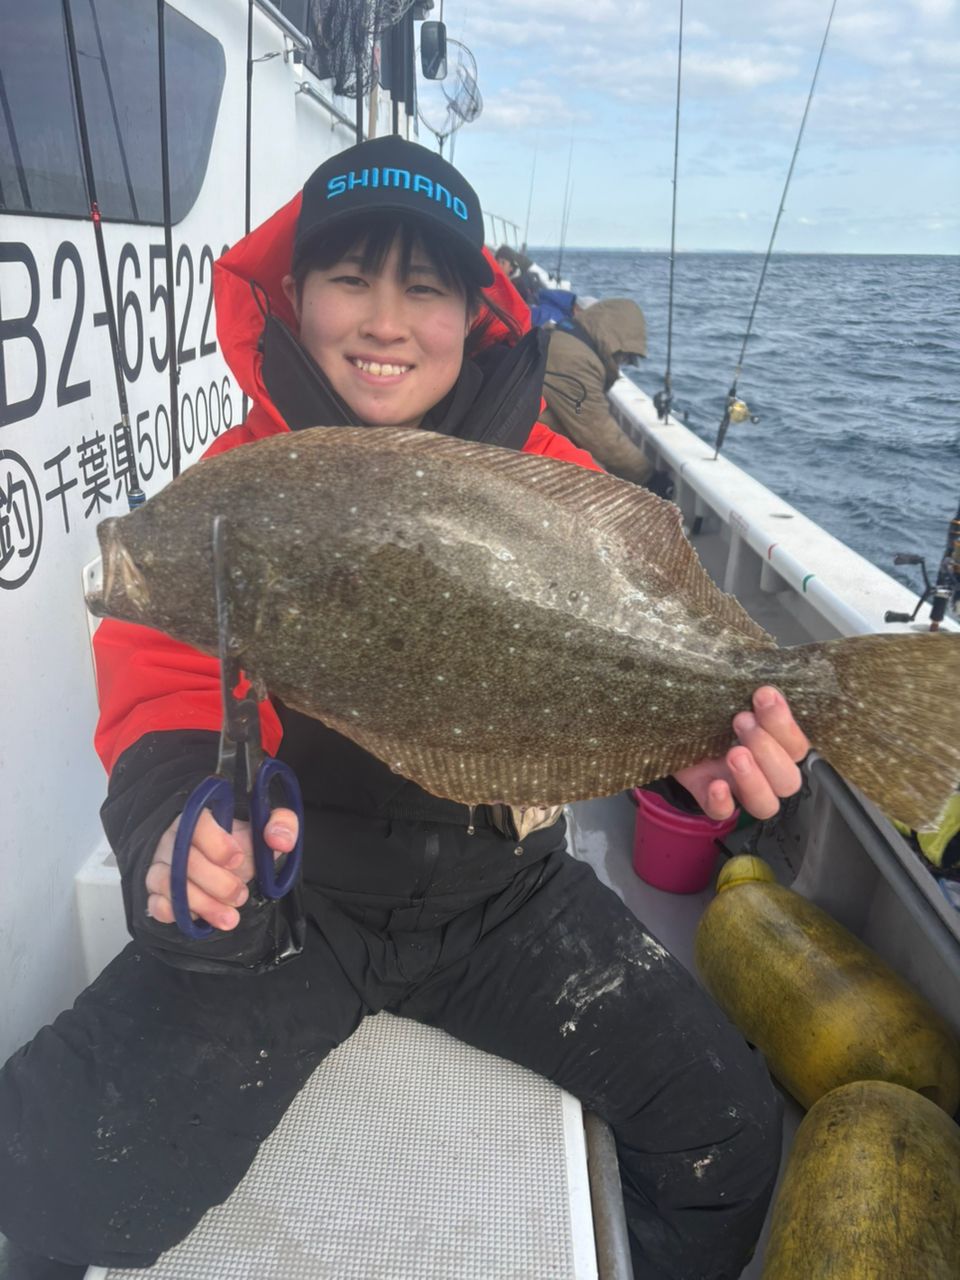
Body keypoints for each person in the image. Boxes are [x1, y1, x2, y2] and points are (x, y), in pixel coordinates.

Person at [0, 136, 810, 1280]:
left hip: (504, 893)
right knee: (46, 1169)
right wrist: (177, 825)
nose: (384, 320)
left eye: (424, 287)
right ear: (296, 293)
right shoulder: (239, 485)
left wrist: (702, 749)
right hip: (301, 897)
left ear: (474, 312)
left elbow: (615, 660)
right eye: (350, 278)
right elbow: (166, 682)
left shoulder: (547, 475)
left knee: (727, 1134)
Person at [541, 297, 658, 487]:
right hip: (523, 449)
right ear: (615, 342)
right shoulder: (576, 360)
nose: (621, 363)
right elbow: (596, 431)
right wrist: (648, 476)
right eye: (625, 357)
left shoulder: (566, 339)